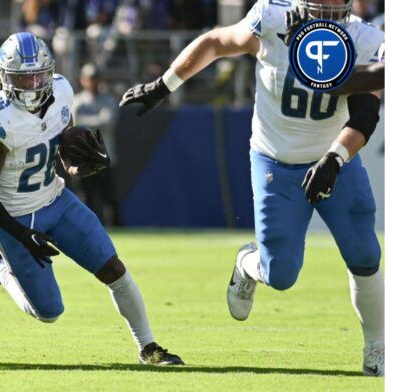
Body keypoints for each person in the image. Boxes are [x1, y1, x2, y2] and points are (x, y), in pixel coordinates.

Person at [119, 0, 384, 376]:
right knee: (281, 274)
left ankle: (377, 347)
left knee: (364, 251)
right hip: (276, 159)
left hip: (335, 155)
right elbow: (215, 42)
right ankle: (248, 263)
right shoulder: (273, 18)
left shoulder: (365, 36)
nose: (328, 5)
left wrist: (335, 158)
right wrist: (164, 84)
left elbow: (365, 114)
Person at [0, 32, 183, 366]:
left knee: (114, 268)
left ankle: (148, 347)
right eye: (22, 78)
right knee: (49, 312)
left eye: (38, 75)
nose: (32, 84)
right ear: (5, 78)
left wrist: (73, 164)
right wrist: (20, 234)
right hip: (15, 216)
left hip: (56, 200)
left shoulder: (63, 91)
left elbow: (58, 149)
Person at [71, 63, 121, 225]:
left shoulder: (108, 100)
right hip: (83, 158)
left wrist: (86, 124)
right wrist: (94, 122)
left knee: (109, 197)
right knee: (85, 197)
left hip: (104, 156)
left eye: (96, 78)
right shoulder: (77, 101)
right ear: (83, 80)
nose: (93, 82)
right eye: (90, 78)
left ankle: (115, 228)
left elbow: (107, 122)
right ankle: (87, 227)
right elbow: (75, 124)